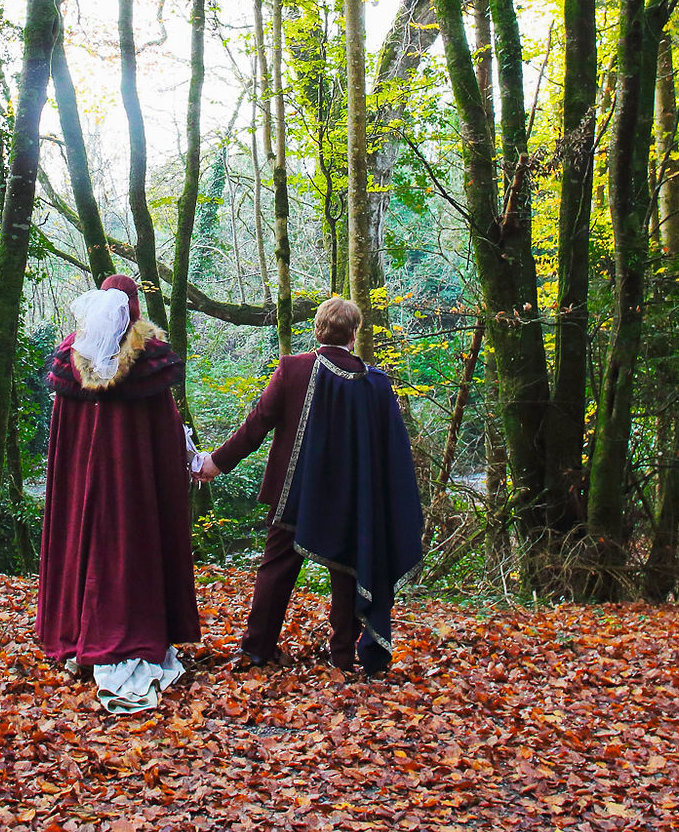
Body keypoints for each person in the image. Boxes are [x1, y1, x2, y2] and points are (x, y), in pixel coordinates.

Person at [198, 295, 423, 676]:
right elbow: (392, 453)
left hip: (295, 497)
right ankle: (342, 656)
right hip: (353, 501)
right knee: (349, 570)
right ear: (354, 334)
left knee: (276, 570)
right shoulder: (375, 384)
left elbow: (257, 424)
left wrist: (216, 463)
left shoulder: (293, 369)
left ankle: (257, 651)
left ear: (317, 329)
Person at [35, 274, 202, 713]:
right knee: (131, 549)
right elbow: (164, 432)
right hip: (133, 488)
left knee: (87, 543)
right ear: (134, 305)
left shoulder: (74, 353)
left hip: (86, 486)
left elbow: (64, 436)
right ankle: (128, 637)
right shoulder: (147, 358)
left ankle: (81, 634)